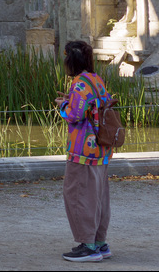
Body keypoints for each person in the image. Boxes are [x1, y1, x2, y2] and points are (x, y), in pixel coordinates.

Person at [56, 40, 112, 263]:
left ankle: (87, 246)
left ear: (70, 59)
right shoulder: (96, 79)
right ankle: (100, 242)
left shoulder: (79, 83)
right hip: (101, 148)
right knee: (98, 196)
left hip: (82, 149)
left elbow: (73, 115)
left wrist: (62, 105)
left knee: (78, 194)